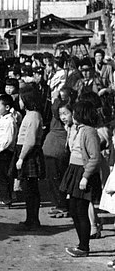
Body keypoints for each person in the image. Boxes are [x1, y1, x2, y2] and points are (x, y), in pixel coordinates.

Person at [59, 100, 102, 258]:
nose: (73, 115)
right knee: (74, 209)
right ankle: (81, 244)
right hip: (75, 170)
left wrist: (85, 177)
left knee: (81, 210)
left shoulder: (89, 132)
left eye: (76, 112)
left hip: (84, 173)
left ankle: (84, 247)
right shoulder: (79, 129)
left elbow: (94, 157)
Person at [13, 84, 46, 231]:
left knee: (31, 189)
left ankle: (33, 220)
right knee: (28, 190)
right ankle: (30, 219)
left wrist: (21, 158)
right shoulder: (30, 115)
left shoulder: (33, 116)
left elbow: (30, 140)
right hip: (26, 152)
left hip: (29, 154)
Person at [0, 94, 20, 209]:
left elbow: (9, 137)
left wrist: (1, 148)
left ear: (7, 107)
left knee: (3, 176)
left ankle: (5, 200)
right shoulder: (3, 118)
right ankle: (3, 196)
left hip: (4, 151)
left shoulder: (10, 121)